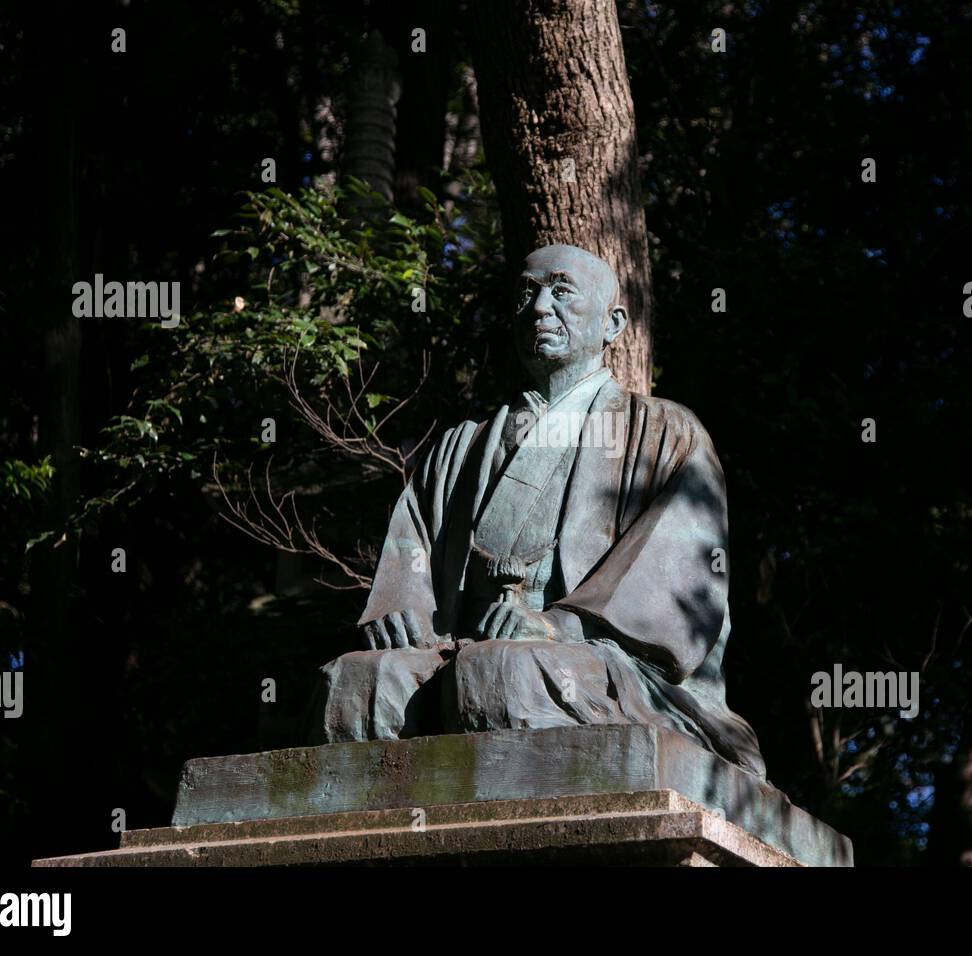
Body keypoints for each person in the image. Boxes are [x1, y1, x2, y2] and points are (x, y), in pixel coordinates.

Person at [311, 243, 766, 778]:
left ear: (613, 323)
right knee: (358, 683)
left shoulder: (664, 432)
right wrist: (400, 615)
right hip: (460, 648)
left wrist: (560, 624)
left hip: (606, 661)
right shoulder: (463, 447)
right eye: (526, 293)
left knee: (503, 675)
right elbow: (412, 549)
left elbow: (681, 575)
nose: (539, 307)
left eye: (561, 291)